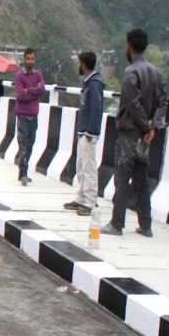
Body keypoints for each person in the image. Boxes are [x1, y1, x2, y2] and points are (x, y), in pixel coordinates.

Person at [102, 28, 168, 237]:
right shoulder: (156, 73)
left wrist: (146, 127)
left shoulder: (131, 72)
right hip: (145, 137)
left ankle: (117, 222)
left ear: (129, 46)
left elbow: (132, 102)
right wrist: (153, 126)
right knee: (141, 179)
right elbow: (163, 101)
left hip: (130, 132)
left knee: (122, 177)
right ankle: (145, 225)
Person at [63, 52, 105, 216]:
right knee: (80, 166)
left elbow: (96, 109)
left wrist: (90, 131)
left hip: (88, 132)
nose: (78, 66)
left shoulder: (94, 85)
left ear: (84, 64)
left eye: (79, 63)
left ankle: (90, 201)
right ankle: (80, 198)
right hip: (83, 131)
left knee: (88, 168)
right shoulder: (89, 83)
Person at [14, 48, 46, 185]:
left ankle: (24, 172)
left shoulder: (38, 74)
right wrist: (35, 91)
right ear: (24, 59)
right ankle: (23, 174)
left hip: (34, 115)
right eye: (28, 59)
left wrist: (30, 90)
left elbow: (43, 90)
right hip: (23, 116)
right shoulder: (19, 76)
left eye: (32, 59)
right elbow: (20, 95)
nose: (30, 61)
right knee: (23, 145)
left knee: (30, 145)